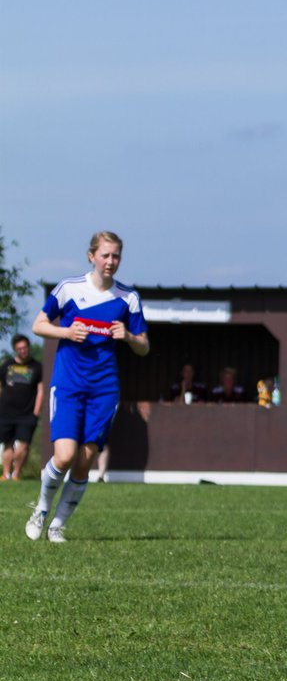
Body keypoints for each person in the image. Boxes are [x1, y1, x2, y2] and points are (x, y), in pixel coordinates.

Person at [25, 231, 149, 542]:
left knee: (85, 461)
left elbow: (144, 346)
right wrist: (66, 333)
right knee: (64, 456)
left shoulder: (128, 298)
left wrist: (130, 337)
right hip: (68, 384)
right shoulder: (69, 289)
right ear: (91, 256)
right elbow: (38, 325)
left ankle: (57, 526)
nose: (111, 261)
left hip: (104, 388)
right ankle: (40, 509)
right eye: (105, 255)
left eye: (116, 256)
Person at [0, 334, 45, 480]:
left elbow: (40, 390)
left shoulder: (37, 367)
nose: (23, 351)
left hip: (27, 414)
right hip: (5, 412)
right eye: (19, 348)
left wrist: (36, 412)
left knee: (24, 445)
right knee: (7, 444)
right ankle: (6, 474)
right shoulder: (7, 365)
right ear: (15, 350)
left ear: (29, 347)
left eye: (25, 347)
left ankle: (16, 474)